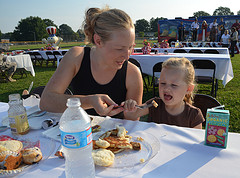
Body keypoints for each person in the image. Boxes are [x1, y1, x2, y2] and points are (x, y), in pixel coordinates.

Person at [40, 7, 143, 120]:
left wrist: (132, 111)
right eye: (119, 49)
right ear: (98, 41)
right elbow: (46, 102)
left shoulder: (132, 73)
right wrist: (89, 101)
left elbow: (133, 123)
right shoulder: (76, 57)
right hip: (77, 131)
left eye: (130, 47)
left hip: (114, 136)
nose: (127, 56)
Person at [121, 57, 205, 129]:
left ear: (188, 89)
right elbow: (131, 116)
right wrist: (130, 108)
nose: (166, 89)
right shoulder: (154, 104)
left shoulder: (194, 115)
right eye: (163, 83)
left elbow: (196, 144)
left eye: (174, 85)